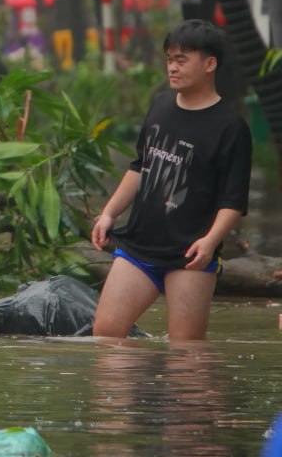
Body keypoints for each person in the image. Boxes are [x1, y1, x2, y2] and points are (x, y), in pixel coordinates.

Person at [91, 19, 251, 341]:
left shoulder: (230, 127)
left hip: (190, 255)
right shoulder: (160, 107)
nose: (172, 68)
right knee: (106, 337)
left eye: (181, 60)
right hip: (139, 245)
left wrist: (210, 241)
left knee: (186, 354)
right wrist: (109, 213)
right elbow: (140, 166)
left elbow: (233, 202)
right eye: (169, 59)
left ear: (209, 64)